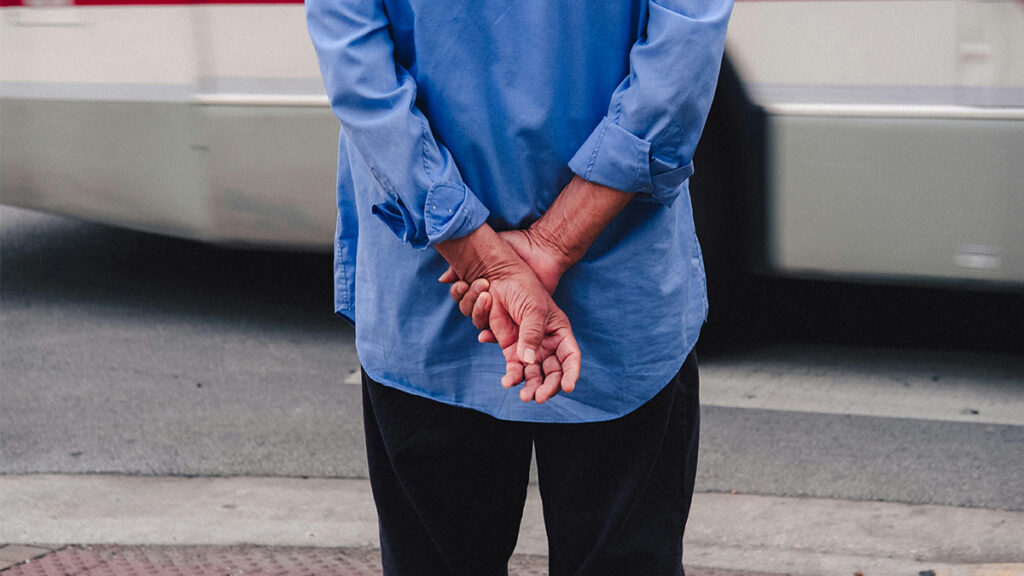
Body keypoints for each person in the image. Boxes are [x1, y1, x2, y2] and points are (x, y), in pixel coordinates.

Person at [306, 1, 732, 574]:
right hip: (617, 281)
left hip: (432, 295)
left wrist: (478, 250)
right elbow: (683, 49)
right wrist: (553, 243)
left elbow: (359, 67)